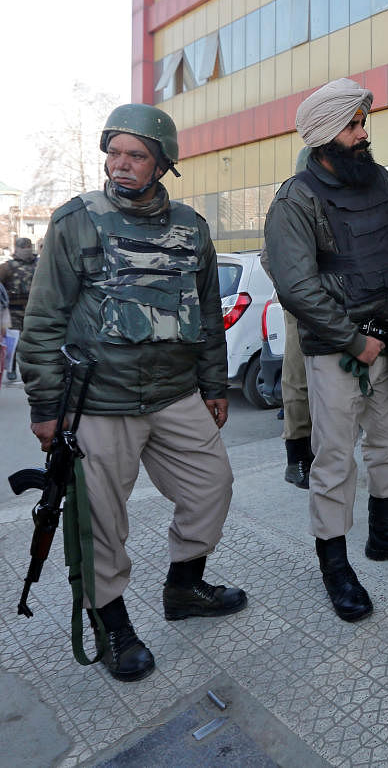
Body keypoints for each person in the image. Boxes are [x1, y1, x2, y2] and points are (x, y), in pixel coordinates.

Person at [18, 104, 248, 682]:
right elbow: (44, 319)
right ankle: (112, 620)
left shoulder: (192, 227)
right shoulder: (76, 220)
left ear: (162, 163)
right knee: (100, 520)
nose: (121, 164)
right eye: (114, 152)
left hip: (175, 395)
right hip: (99, 400)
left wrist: (214, 386)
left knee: (212, 486)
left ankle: (185, 587)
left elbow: (209, 317)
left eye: (136, 155)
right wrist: (45, 407)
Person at [264, 78, 388, 623]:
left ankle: (384, 534)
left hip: (387, 338)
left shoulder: (381, 183)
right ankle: (335, 565)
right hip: (336, 348)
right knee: (336, 458)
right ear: (322, 136)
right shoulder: (295, 199)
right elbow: (297, 288)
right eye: (352, 126)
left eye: (364, 123)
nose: (363, 134)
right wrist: (352, 340)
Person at [261, 146, 315, 489]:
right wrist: (296, 290)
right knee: (298, 381)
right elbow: (269, 257)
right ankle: (297, 459)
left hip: (342, 307)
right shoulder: (289, 202)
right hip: (302, 307)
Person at [0, 236, 38, 382]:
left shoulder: (39, 265)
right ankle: (11, 369)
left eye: (28, 248)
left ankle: (33, 370)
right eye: (23, 248)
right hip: (13, 309)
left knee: (34, 341)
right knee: (13, 342)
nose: (26, 251)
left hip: (34, 308)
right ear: (17, 249)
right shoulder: (7, 267)